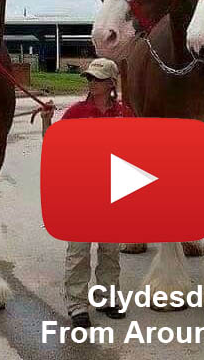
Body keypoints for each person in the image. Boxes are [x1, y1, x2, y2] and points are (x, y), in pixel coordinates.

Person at [41, 58, 133, 328]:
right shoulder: (76, 113)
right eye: (89, 78)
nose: (91, 83)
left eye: (97, 79)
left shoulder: (124, 114)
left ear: (111, 84)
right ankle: (78, 305)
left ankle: (108, 298)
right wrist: (47, 122)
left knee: (109, 251)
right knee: (79, 252)